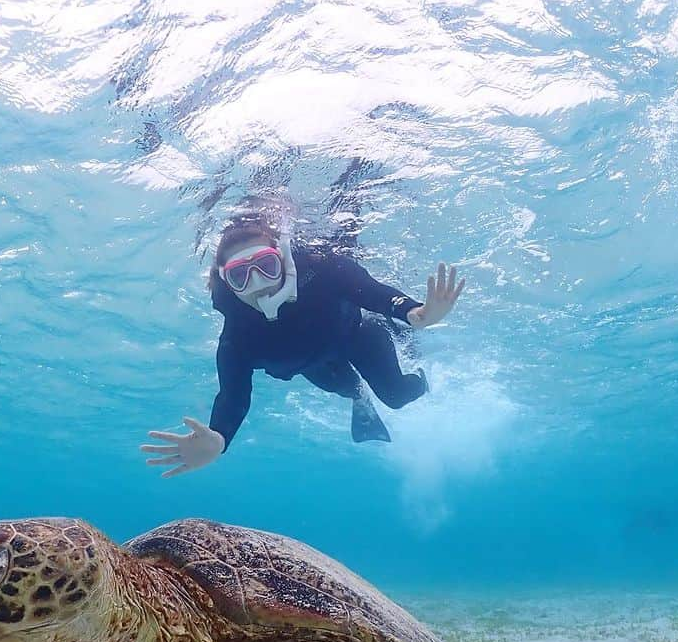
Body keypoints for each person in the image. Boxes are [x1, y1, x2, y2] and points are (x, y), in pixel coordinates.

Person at [142, 196, 465, 478]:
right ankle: (359, 398)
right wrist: (220, 439)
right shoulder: (238, 337)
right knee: (350, 390)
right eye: (241, 275)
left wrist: (415, 314)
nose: (258, 284)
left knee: (396, 396)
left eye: (266, 266)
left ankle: (423, 375)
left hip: (359, 335)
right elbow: (232, 396)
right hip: (314, 364)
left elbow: (372, 292)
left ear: (283, 259)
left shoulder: (325, 270)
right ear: (227, 284)